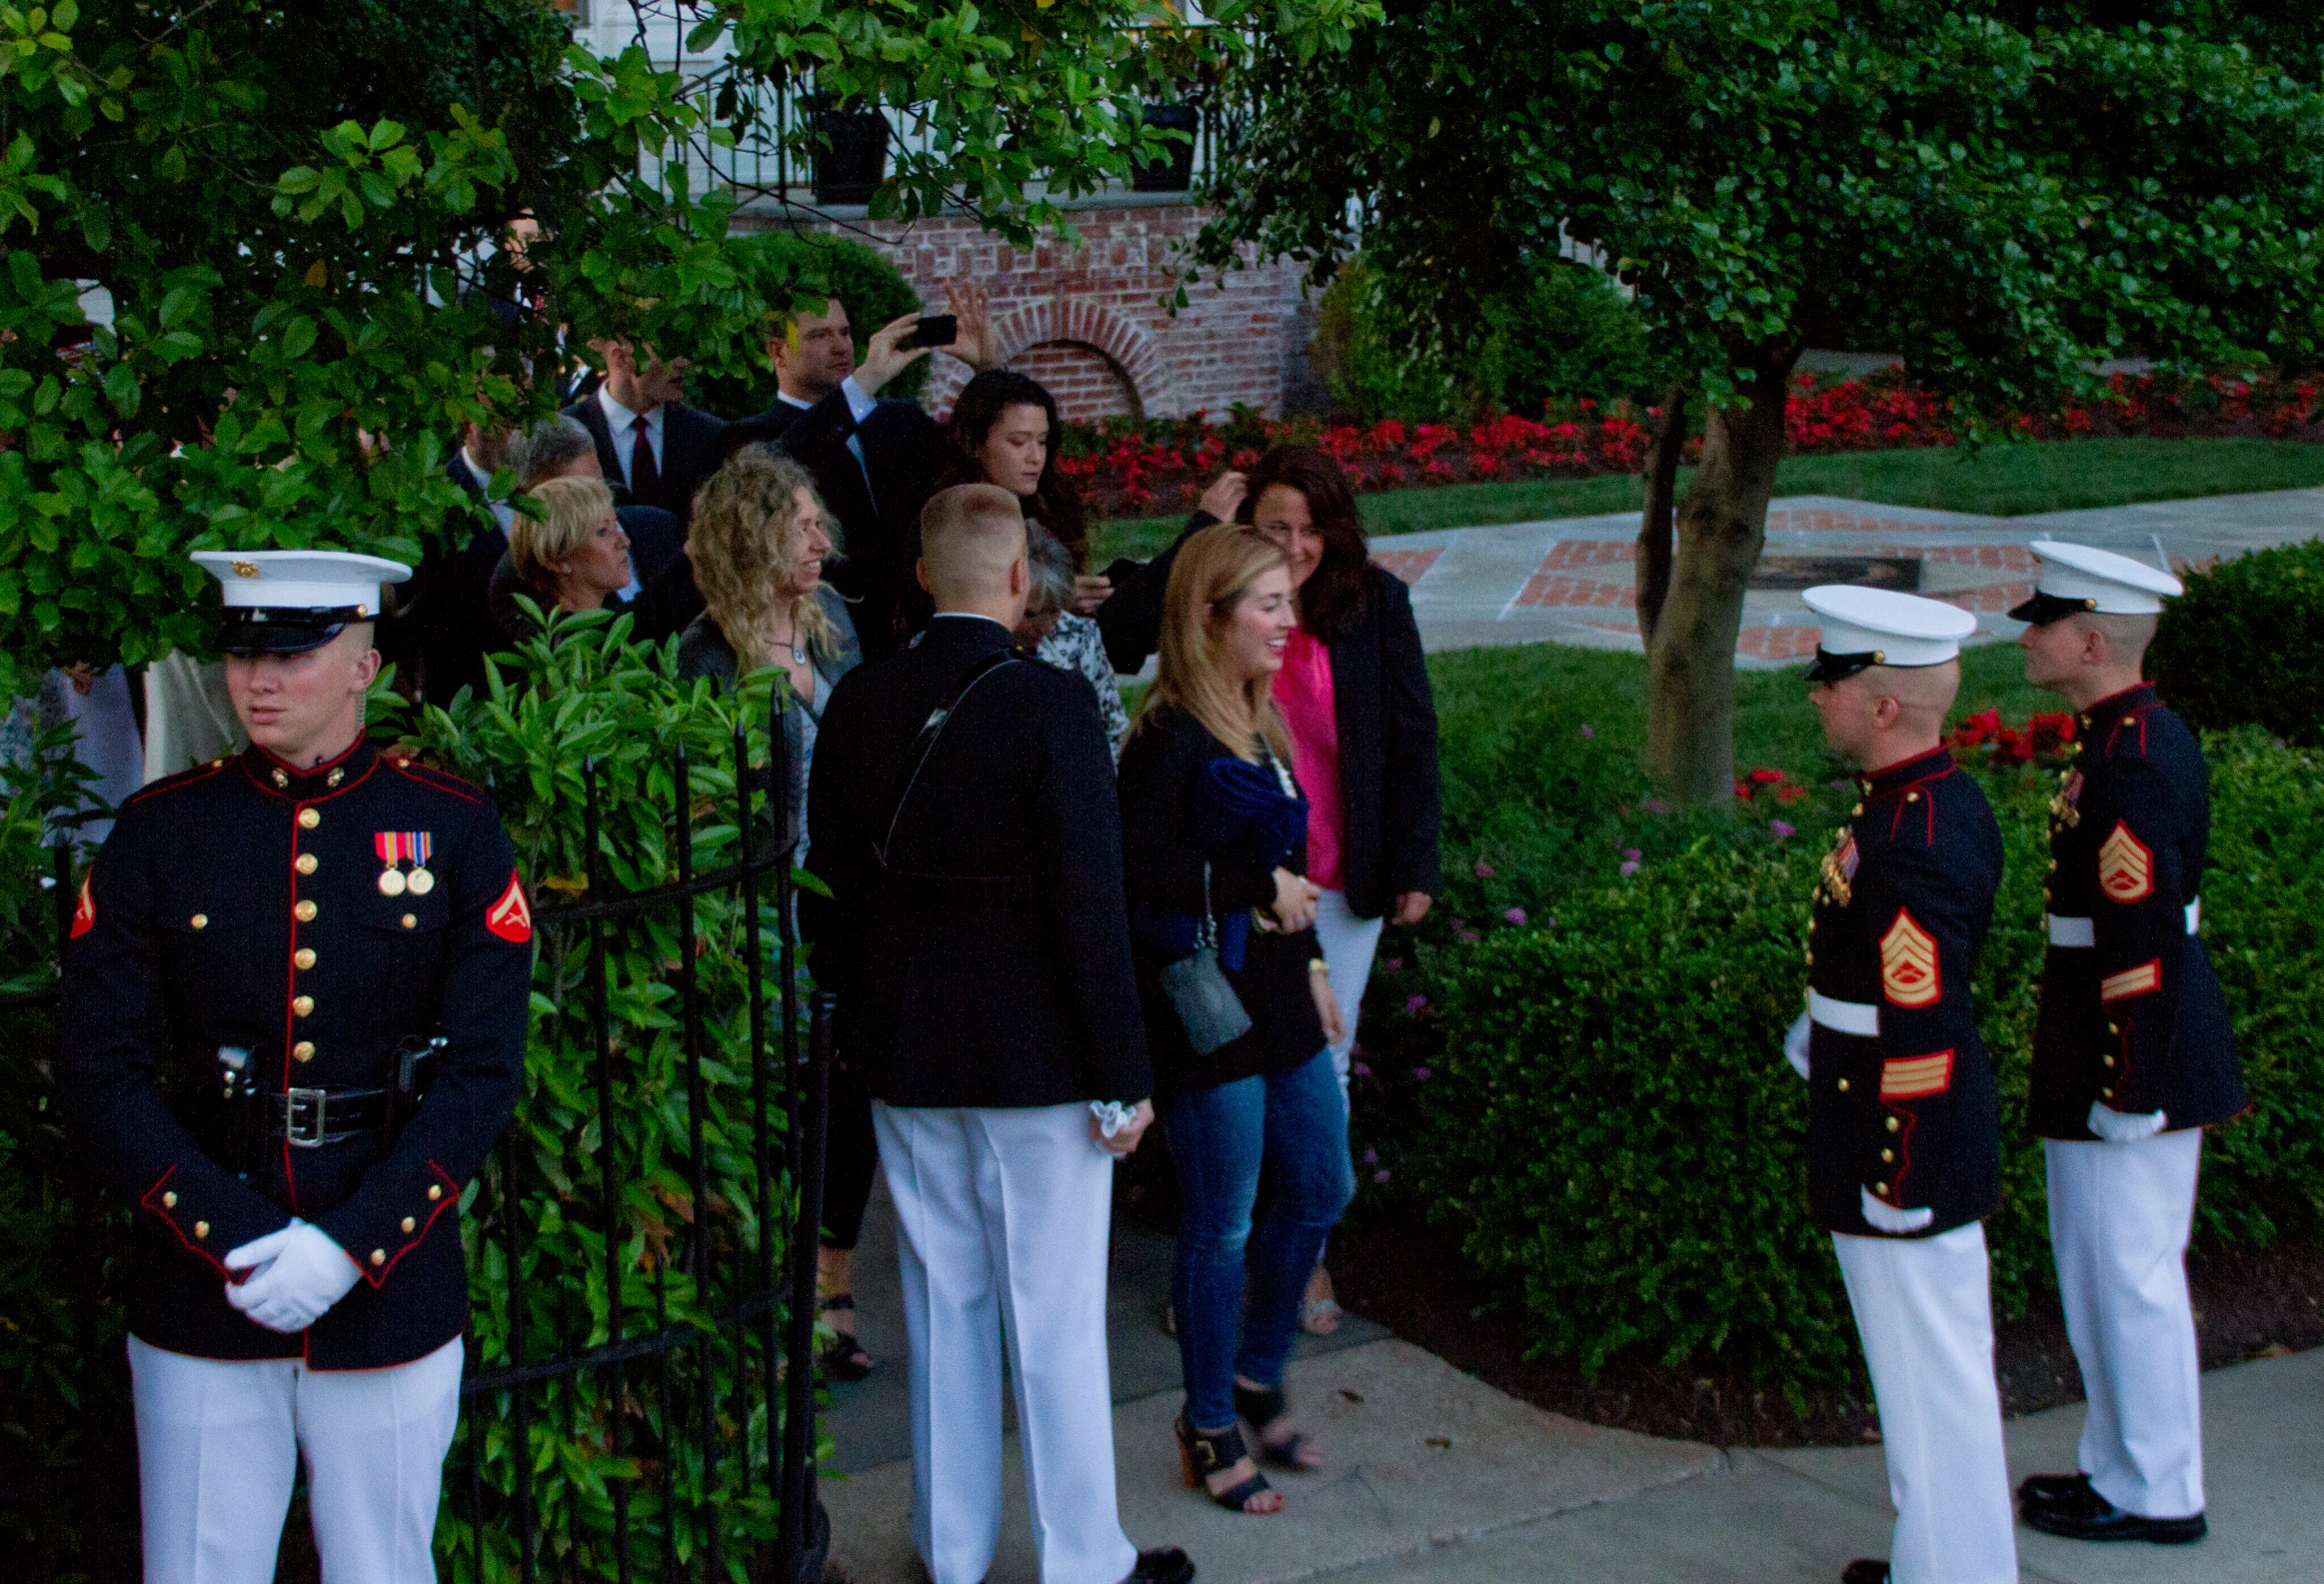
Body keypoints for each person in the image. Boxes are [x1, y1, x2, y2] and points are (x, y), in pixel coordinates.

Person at [57, 550, 533, 1583]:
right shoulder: (161, 833)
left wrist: (352, 1244)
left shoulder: (452, 830)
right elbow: (101, 1068)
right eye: (241, 652)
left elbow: (484, 1072)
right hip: (202, 1284)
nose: (257, 679)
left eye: (294, 652)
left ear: (364, 660)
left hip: (389, 1282)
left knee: (383, 1566)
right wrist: (232, 1237)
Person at [806, 484, 1190, 1584]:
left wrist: (866, 1019)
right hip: (1040, 1063)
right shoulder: (1052, 706)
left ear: (925, 576)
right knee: (1054, 1316)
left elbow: (825, 890)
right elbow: (1090, 901)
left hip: (909, 1050)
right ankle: (1085, 1559)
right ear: (1021, 578)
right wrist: (1126, 1072)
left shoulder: (861, 700)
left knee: (943, 1309)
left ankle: (953, 1547)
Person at [1119, 522, 1356, 1518]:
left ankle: (1260, 1371)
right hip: (1205, 1007)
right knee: (1220, 1222)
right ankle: (1210, 1418)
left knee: (1322, 1183)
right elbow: (1140, 883)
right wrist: (1257, 890)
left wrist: (1308, 964)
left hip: (1275, 992)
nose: (1286, 620)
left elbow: (1289, 862)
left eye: (1287, 602)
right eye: (1267, 604)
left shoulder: (1260, 723)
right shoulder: (1166, 737)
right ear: (1207, 617)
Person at [2009, 542, 2242, 1547]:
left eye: (2046, 621)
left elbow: (2141, 938)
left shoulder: (2133, 758)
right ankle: (2121, 1464)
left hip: (2131, 1054)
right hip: (2101, 1041)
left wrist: (2131, 1080)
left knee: (2132, 1276)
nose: (2030, 633)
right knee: (2099, 1271)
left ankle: (2159, 1488)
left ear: (2094, 640)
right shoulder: (2117, 739)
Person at [1789, 586, 2014, 1584]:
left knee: (1932, 1382)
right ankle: (1940, 1559)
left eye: (1831, 681)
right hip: (1882, 1122)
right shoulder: (1926, 802)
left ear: (1882, 705)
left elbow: (1920, 1030)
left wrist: (1898, 1173)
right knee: (1926, 1379)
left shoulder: (1908, 837)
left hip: (1898, 1145)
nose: (1813, 696)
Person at [679, 448, 876, 1377]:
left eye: (818, 521)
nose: (819, 538)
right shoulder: (704, 651)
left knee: (849, 1105)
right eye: (798, 522)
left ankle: (831, 1279)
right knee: (777, 1112)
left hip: (843, 903)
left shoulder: (833, 622)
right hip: (757, 920)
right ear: (747, 531)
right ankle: (777, 1293)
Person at [724, 285, 1004, 661]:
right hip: (829, 636)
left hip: (921, 628)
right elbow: (782, 465)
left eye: (845, 332)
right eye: (820, 335)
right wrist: (865, 380)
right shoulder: (753, 437)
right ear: (777, 352)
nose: (840, 347)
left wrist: (987, 369)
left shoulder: (899, 419)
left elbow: (983, 457)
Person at [935, 368, 1114, 619]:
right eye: (1018, 442)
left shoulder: (1050, 504)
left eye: (1041, 441)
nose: (1036, 457)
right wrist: (1051, 597)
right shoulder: (954, 521)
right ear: (974, 444)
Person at [563, 338, 728, 527]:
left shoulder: (710, 434)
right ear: (621, 358)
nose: (683, 363)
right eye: (669, 353)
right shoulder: (564, 436)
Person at [1020, 522, 1132, 759]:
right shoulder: (989, 640)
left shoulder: (1080, 635)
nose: (1046, 623)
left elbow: (1112, 725)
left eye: (1055, 610)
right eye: (1032, 613)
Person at [498, 475, 635, 637]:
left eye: (615, 525)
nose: (625, 541)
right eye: (602, 531)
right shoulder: (564, 650)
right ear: (557, 561)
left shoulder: (610, 618)